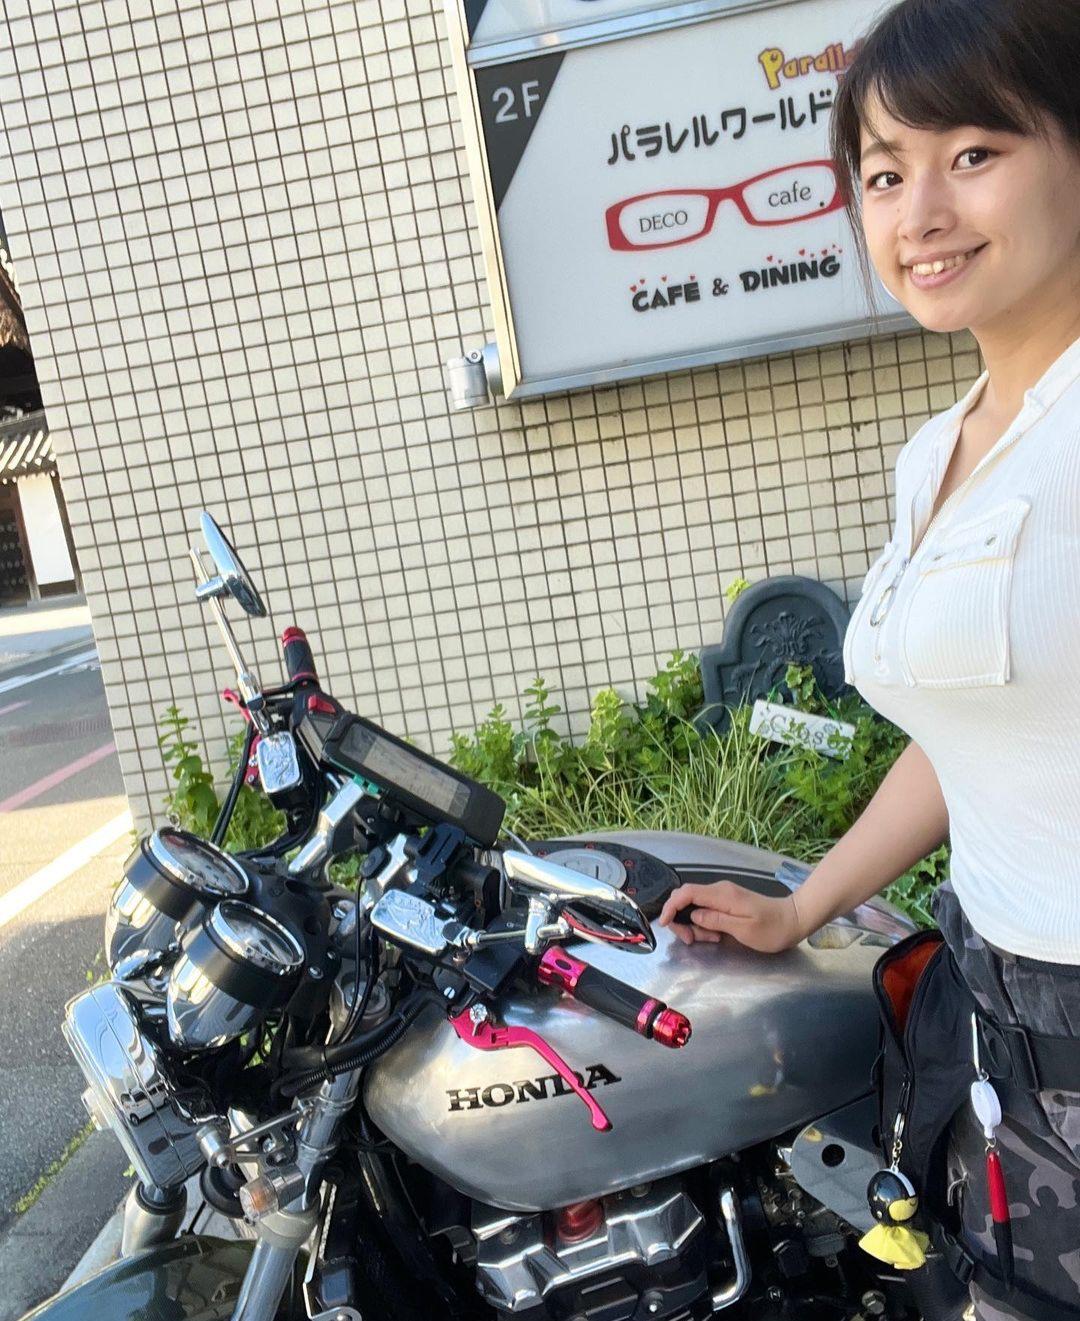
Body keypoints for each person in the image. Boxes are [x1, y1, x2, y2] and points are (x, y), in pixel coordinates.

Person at [657, 1, 1080, 1317]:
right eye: (885, 174)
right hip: (995, 1013)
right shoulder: (939, 450)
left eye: (974, 154)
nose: (921, 213)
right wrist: (804, 907)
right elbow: (969, 735)